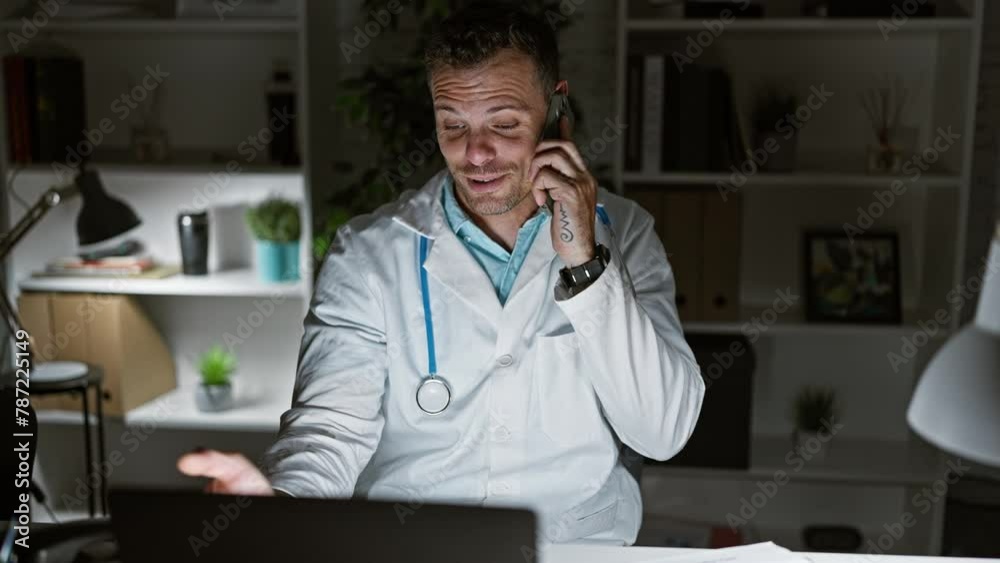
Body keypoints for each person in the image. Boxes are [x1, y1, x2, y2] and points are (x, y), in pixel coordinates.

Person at [178, 3, 705, 545]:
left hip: (577, 547)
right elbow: (330, 429)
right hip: (414, 547)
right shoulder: (367, 255)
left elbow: (663, 431)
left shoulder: (628, 233)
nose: (475, 153)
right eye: (452, 124)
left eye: (503, 124)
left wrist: (586, 262)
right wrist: (277, 509)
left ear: (554, 107)